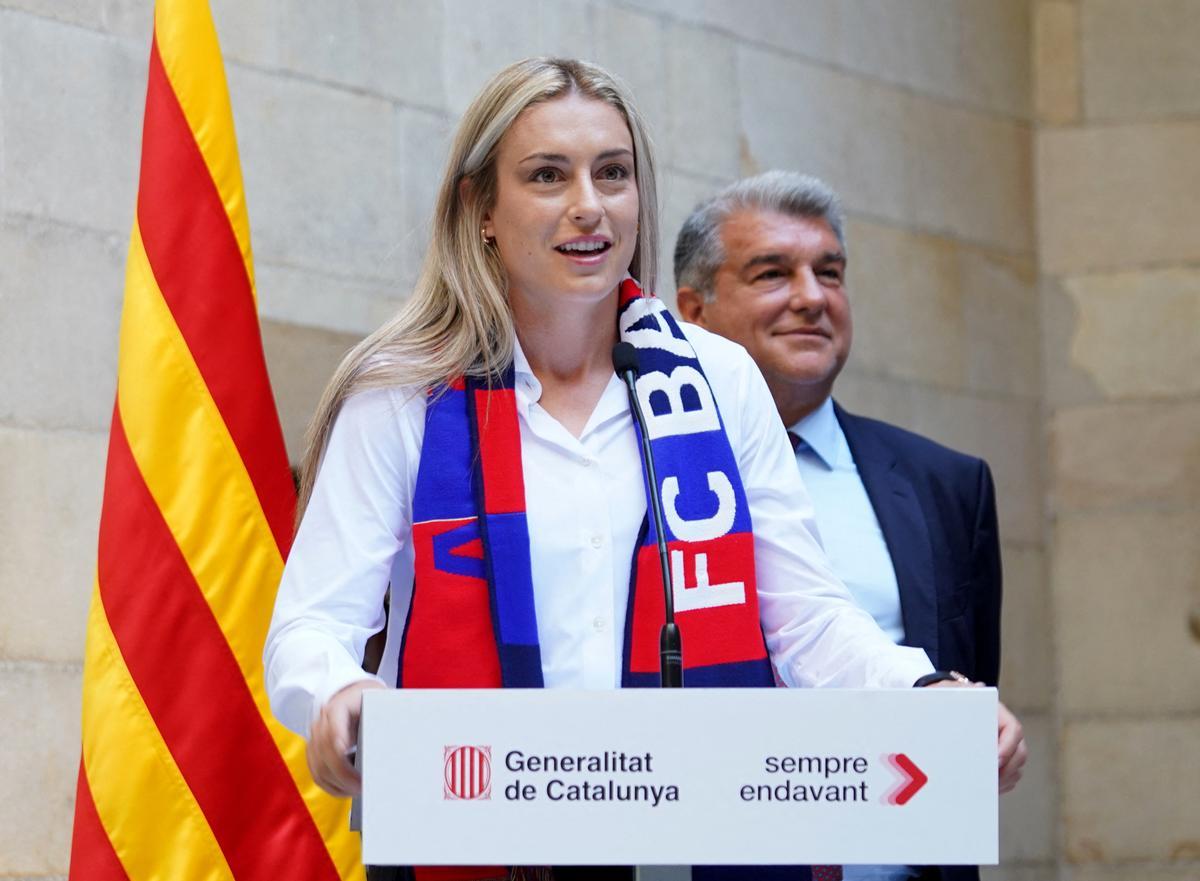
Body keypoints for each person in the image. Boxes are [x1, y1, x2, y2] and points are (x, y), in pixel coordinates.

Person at [265, 60, 1022, 881]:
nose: (588, 204)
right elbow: (311, 624)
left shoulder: (719, 380)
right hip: (477, 831)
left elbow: (804, 617)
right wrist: (340, 693)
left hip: (698, 842)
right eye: (548, 175)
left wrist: (924, 692)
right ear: (482, 208)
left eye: (613, 173)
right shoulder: (401, 393)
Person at [675, 171, 1019, 881]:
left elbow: (962, 696)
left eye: (829, 272)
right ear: (693, 312)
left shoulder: (946, 487)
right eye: (772, 272)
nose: (811, 296)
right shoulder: (634, 475)